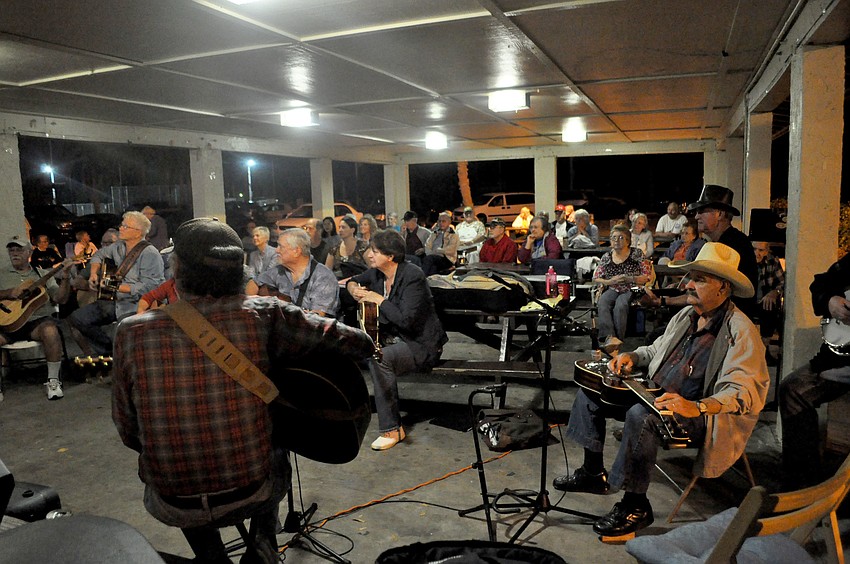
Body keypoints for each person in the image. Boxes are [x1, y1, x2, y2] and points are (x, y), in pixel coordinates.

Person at [112, 217, 373, 563]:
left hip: (174, 500)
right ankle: (262, 543)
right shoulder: (265, 314)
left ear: (178, 270)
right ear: (239, 272)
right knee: (276, 446)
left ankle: (211, 556)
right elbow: (360, 343)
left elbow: (129, 432)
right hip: (252, 489)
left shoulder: (130, 332)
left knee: (174, 464)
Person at [553, 242, 768, 537]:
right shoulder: (687, 316)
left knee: (642, 417)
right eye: (690, 276)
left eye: (700, 279)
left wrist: (698, 407)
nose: (688, 284)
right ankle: (593, 473)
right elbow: (655, 350)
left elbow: (745, 392)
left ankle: (636, 505)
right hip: (654, 393)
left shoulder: (740, 332)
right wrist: (633, 356)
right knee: (592, 389)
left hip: (696, 412)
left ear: (724, 288)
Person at [347, 230, 447, 450]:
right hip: (396, 340)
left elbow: (407, 320)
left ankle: (392, 429)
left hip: (420, 344)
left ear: (390, 256)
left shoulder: (413, 275)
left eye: (375, 251)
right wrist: (353, 288)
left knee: (379, 358)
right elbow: (352, 280)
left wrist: (379, 300)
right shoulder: (377, 274)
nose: (369, 255)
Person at [779, 255, 850, 490]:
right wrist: (830, 301)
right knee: (792, 389)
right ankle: (803, 488)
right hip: (840, 359)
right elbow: (821, 283)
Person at [69, 211, 164, 356]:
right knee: (77, 318)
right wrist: (94, 273)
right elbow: (98, 255)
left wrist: (116, 287)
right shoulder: (118, 247)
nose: (121, 228)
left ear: (138, 232)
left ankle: (120, 357)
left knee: (123, 327)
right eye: (122, 225)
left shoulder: (150, 254)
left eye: (126, 226)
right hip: (114, 301)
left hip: (135, 304)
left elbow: (151, 286)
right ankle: (108, 351)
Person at [0, 237, 73, 400]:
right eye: (11, 250)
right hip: (8, 324)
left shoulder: (42, 274)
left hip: (36, 323)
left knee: (50, 330)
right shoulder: (2, 274)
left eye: (19, 250)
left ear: (29, 252)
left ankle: (53, 381)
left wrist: (66, 277)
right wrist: (8, 293)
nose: (15, 253)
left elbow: (60, 299)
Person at [689, 185, 758, 317]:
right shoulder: (727, 240)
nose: (697, 216)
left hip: (729, 321)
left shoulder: (732, 244)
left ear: (720, 214)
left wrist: (663, 300)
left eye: (702, 211)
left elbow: (709, 293)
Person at [246, 228, 339, 317]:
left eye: (280, 246)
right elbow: (254, 283)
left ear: (296, 251)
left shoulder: (324, 277)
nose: (276, 250)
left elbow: (317, 318)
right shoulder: (278, 271)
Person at [592, 224, 652, 354]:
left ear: (628, 241)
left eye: (621, 238)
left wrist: (629, 278)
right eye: (613, 238)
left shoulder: (636, 254)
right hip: (614, 287)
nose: (616, 241)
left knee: (621, 304)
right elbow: (596, 278)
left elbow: (647, 276)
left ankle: (618, 340)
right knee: (603, 302)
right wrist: (610, 281)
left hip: (634, 287)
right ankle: (610, 338)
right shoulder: (607, 257)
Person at [752, 241, 784, 362]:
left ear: (766, 251)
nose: (757, 253)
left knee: (770, 308)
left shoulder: (772, 261)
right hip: (747, 299)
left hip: (763, 300)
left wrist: (774, 292)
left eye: (761, 250)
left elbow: (782, 282)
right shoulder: (745, 259)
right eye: (754, 249)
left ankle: (763, 349)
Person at [421, 211, 459, 276]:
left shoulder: (453, 234)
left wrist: (438, 251)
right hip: (433, 257)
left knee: (429, 259)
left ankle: (421, 279)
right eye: (439, 221)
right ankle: (428, 282)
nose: (441, 223)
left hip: (447, 259)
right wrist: (431, 253)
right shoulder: (434, 233)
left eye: (443, 221)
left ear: (449, 222)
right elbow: (427, 245)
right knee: (432, 267)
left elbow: (451, 250)